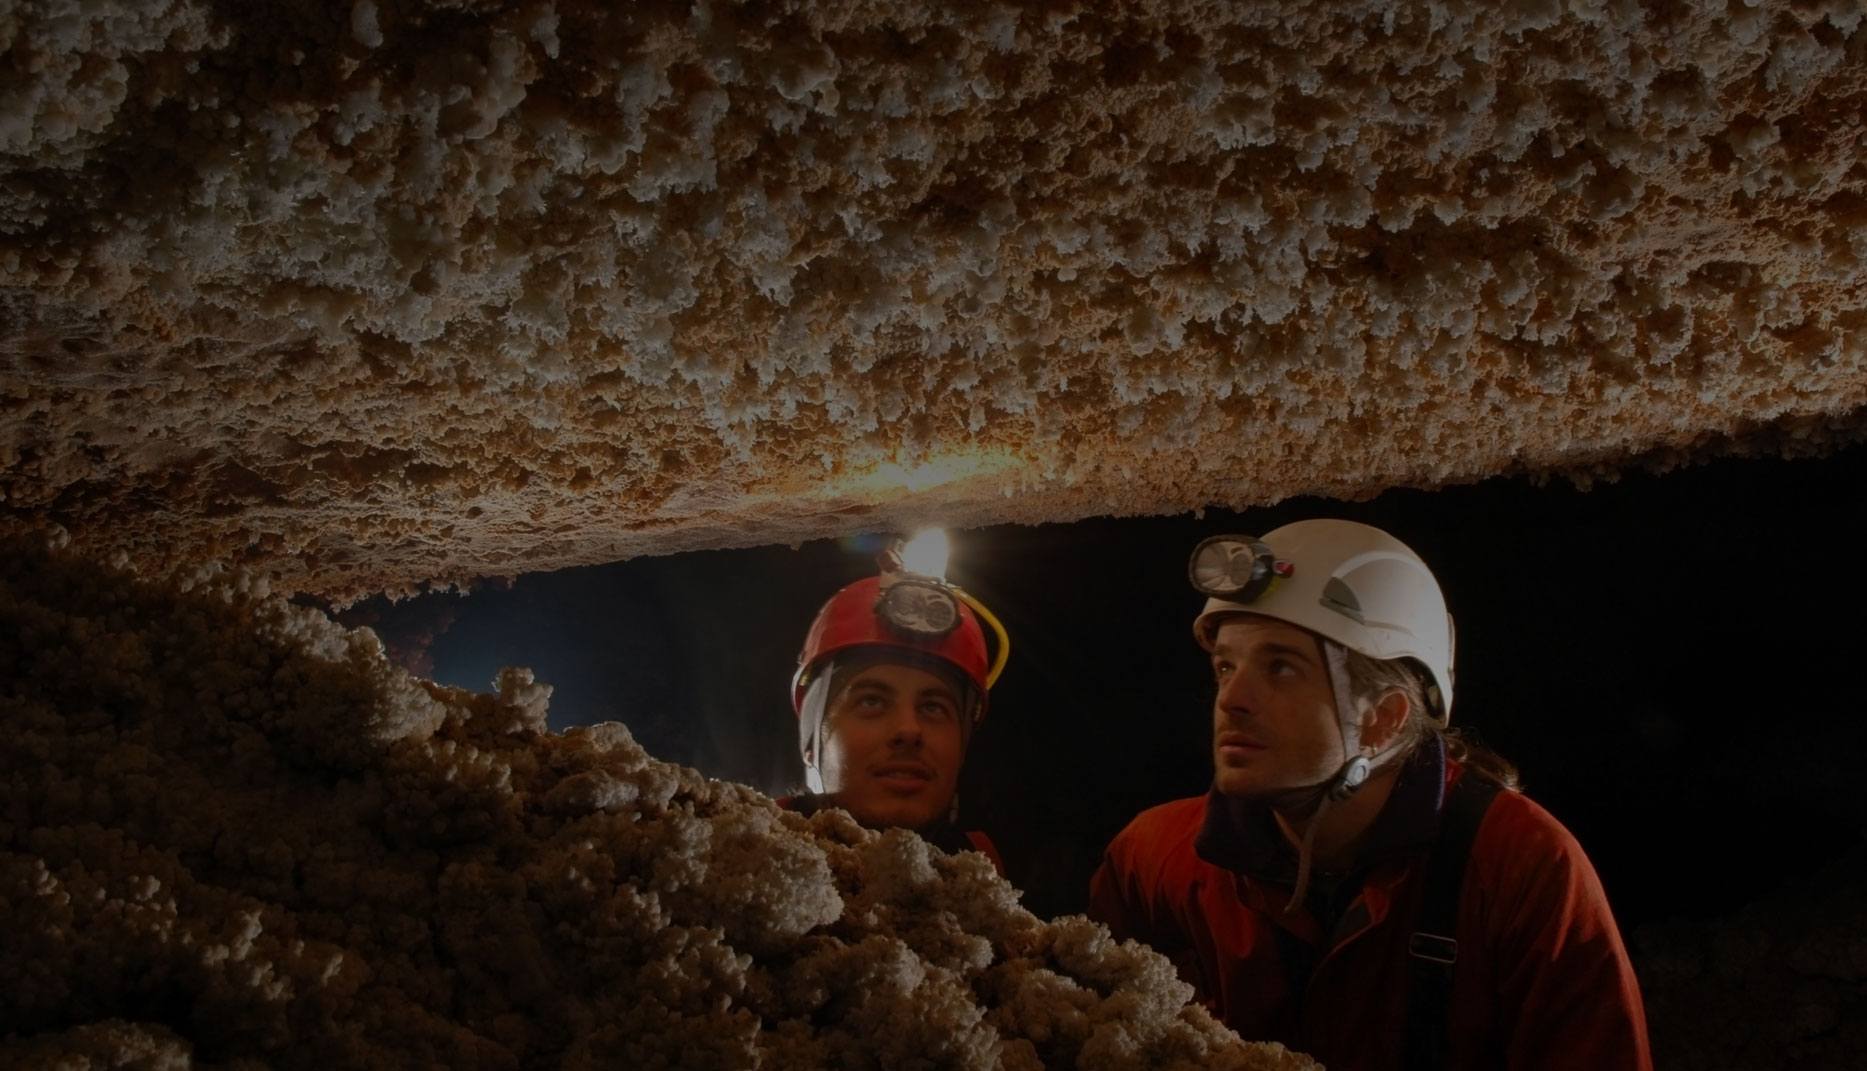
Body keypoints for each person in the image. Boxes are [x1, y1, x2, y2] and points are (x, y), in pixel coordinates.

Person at [1088, 518, 1650, 1070]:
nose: (1231, 698)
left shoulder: (1518, 866)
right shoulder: (1155, 861)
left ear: (1382, 719)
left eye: (1281, 668)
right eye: (1225, 666)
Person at [779, 539, 1007, 872]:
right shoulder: (731, 866)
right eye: (872, 701)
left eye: (934, 707)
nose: (909, 730)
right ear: (812, 738)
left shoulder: (986, 881)